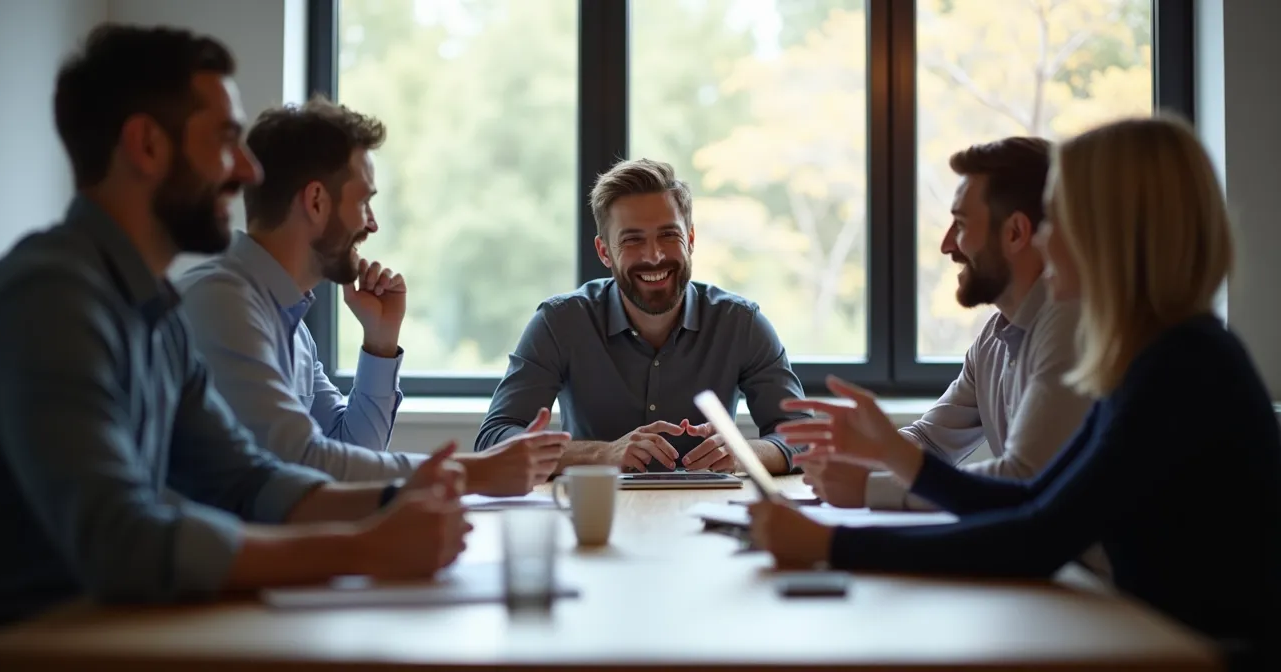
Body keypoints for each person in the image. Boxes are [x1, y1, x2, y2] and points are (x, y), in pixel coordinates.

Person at [0, 24, 469, 637]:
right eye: (226, 140)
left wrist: (399, 505)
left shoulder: (153, 311)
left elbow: (247, 478)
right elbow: (120, 540)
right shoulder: (49, 298)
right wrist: (363, 547)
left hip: (109, 633)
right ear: (147, 146)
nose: (247, 169)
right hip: (29, 645)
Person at [751, 115, 1281, 669]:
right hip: (1146, 639)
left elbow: (1035, 538)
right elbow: (1033, 501)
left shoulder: (1183, 366)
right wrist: (892, 458)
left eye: (1063, 217)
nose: (1046, 237)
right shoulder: (1150, 357)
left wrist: (830, 546)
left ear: (1112, 234)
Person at [176, 97, 569, 496]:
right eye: (363, 201)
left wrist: (380, 343)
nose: (373, 223)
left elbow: (350, 449)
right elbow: (302, 463)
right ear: (315, 201)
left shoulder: (289, 325)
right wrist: (477, 472)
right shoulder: (221, 303)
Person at [798, 137, 1091, 512]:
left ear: (1015, 233)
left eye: (961, 224)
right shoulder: (996, 336)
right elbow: (931, 442)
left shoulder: (1070, 327)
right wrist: (864, 456)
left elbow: (1023, 481)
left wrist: (871, 489)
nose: (947, 245)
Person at [475, 158, 808, 474]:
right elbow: (493, 440)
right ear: (604, 252)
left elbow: (805, 440)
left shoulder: (741, 324)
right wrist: (602, 454)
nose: (654, 256)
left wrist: (741, 452)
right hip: (596, 516)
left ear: (690, 239)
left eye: (668, 235)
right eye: (632, 240)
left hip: (709, 517)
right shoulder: (560, 323)